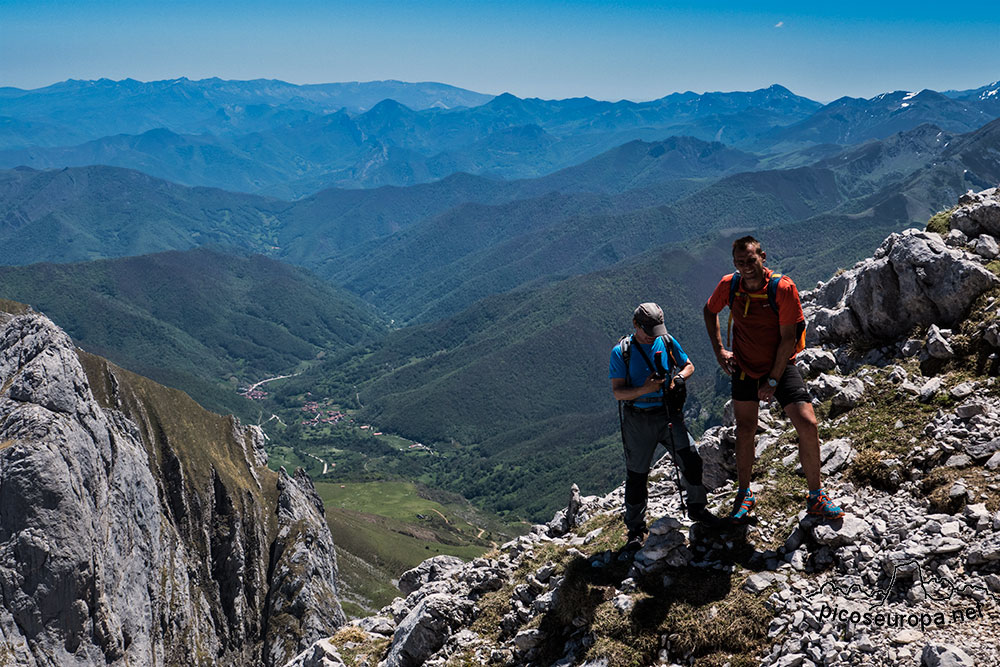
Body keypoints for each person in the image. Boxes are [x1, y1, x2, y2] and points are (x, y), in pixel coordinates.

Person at [703, 236, 844, 522]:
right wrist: (719, 350)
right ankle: (744, 493)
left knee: (807, 423)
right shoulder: (729, 285)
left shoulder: (782, 288)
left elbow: (788, 338)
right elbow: (709, 310)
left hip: (780, 365)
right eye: (740, 262)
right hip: (743, 366)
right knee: (745, 429)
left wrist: (773, 380)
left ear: (763, 257)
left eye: (751, 261)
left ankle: (816, 496)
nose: (746, 267)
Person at [610, 302, 720, 550]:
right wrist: (646, 389)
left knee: (691, 459)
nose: (653, 335)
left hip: (668, 413)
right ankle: (635, 530)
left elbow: (688, 365)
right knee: (637, 476)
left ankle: (697, 509)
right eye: (648, 330)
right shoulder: (622, 352)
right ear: (635, 325)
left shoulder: (667, 340)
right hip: (638, 419)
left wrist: (679, 378)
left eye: (656, 329)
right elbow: (618, 393)